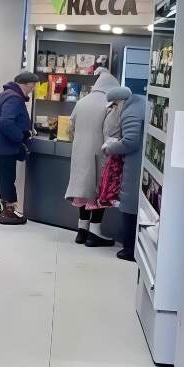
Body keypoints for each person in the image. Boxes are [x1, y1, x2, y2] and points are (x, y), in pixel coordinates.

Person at [65, 69, 120, 246]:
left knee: (82, 190)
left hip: (79, 152)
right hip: (100, 153)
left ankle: (81, 231)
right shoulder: (109, 104)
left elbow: (70, 128)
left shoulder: (81, 102)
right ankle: (95, 233)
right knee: (99, 191)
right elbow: (111, 132)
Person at [0, 70, 39, 226]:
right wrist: (20, 135)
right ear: (25, 84)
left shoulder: (5, 95)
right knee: (7, 178)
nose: (33, 89)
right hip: (6, 147)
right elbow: (6, 122)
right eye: (32, 86)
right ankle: (9, 213)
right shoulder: (15, 99)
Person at [102, 86, 145, 261]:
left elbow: (130, 142)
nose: (114, 110)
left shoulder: (130, 112)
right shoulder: (139, 104)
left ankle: (129, 249)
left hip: (135, 166)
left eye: (114, 106)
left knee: (130, 204)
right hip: (140, 164)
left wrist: (110, 147)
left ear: (118, 102)